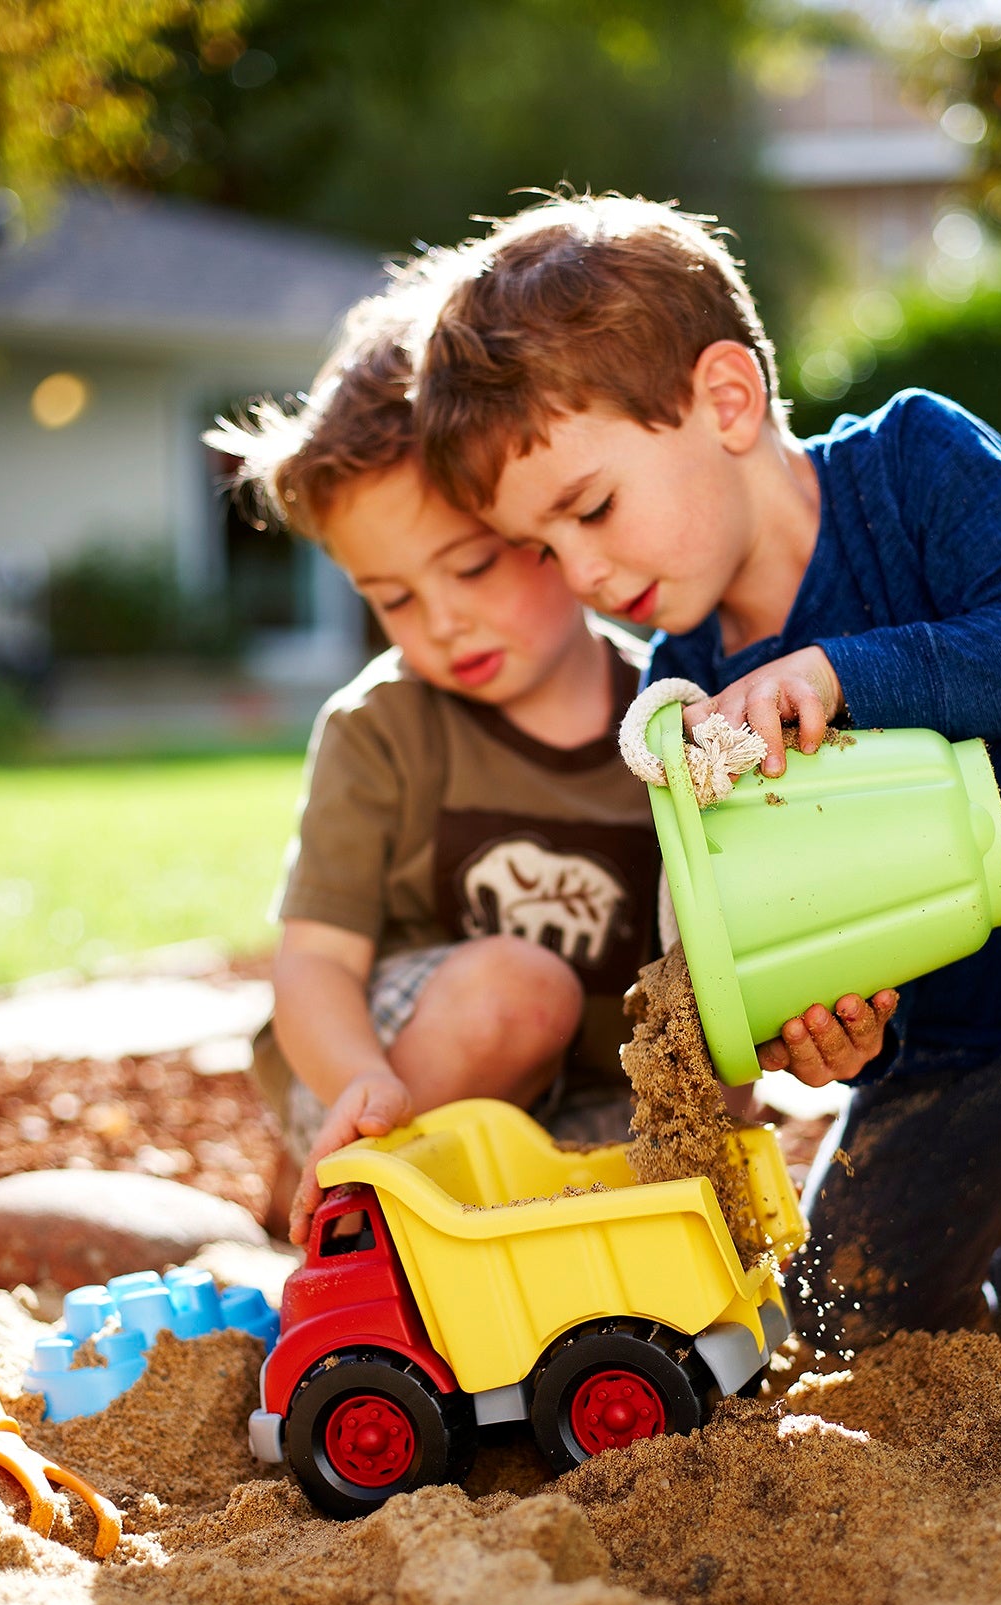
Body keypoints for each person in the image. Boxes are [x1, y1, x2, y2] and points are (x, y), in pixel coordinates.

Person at [412, 193, 1001, 1346]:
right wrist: (834, 1029)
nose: (580, 572)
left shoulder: (913, 464)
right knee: (830, 1317)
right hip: (965, 1043)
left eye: (593, 508)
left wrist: (838, 672)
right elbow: (779, 913)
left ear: (725, 400)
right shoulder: (683, 692)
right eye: (543, 546)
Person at [207, 279, 661, 1248]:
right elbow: (314, 961)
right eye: (394, 598)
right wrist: (359, 1081)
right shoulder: (380, 727)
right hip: (386, 1068)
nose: (443, 621)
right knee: (519, 992)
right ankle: (347, 1189)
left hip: (577, 1093)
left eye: (470, 566)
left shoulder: (668, 719)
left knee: (677, 1155)